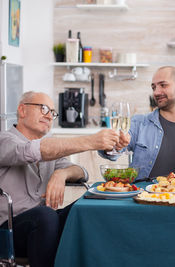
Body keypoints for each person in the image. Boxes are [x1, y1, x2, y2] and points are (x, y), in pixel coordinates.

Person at [0, 91, 120, 267]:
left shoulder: (51, 150)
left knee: (92, 202)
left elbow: (81, 172)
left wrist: (61, 174)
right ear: (22, 110)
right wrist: (92, 141)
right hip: (9, 231)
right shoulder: (5, 140)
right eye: (43, 109)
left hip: (44, 226)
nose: (49, 116)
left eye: (53, 113)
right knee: (46, 215)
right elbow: (30, 151)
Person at [101, 66, 175, 181]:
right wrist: (114, 146)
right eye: (153, 87)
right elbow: (112, 154)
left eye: (163, 85)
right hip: (143, 196)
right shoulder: (138, 123)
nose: (156, 92)